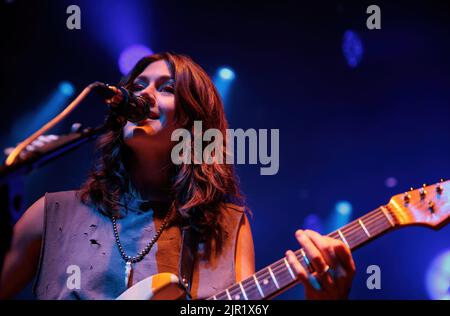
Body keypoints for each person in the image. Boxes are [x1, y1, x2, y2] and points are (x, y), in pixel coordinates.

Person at [0, 52, 355, 300]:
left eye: (166, 88)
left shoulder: (227, 226)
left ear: (195, 126)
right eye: (138, 86)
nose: (144, 95)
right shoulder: (53, 214)